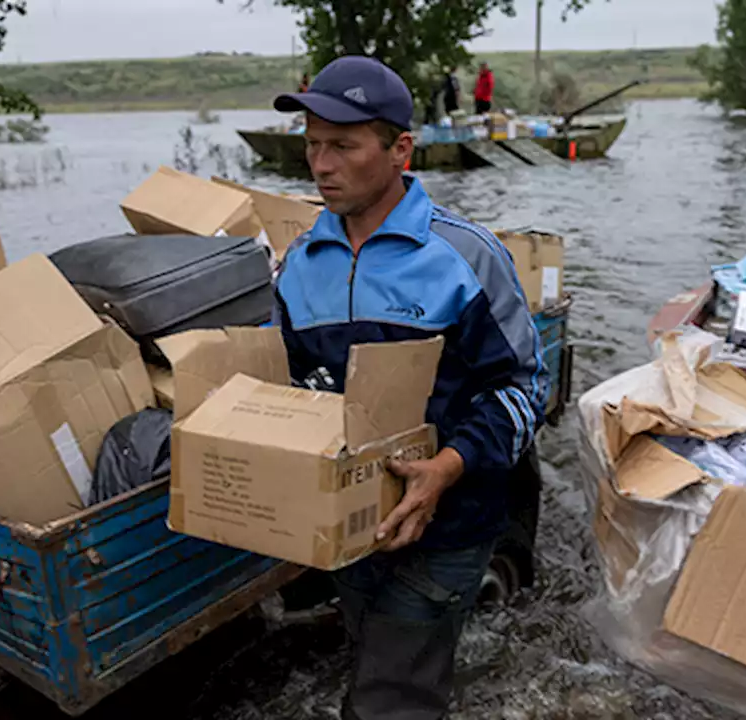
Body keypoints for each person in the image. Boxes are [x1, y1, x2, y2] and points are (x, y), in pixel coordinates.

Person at [272, 56, 547, 720]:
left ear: (400, 148)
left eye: (342, 145)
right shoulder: (298, 266)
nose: (321, 164)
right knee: (372, 645)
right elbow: (292, 389)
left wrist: (447, 468)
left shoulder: (465, 257)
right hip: (355, 529)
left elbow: (522, 388)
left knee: (389, 700)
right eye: (311, 145)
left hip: (451, 524)